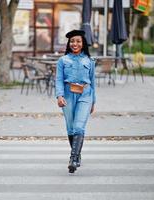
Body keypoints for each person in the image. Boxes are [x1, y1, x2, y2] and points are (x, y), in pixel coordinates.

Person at [55, 29, 96, 173]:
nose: (75, 44)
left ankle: (73, 158)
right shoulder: (62, 60)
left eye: (78, 41)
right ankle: (78, 155)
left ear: (83, 43)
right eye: (72, 41)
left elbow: (93, 82)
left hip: (85, 95)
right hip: (67, 94)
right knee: (71, 127)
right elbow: (59, 80)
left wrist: (93, 101)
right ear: (69, 43)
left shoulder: (89, 61)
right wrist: (59, 96)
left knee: (79, 127)